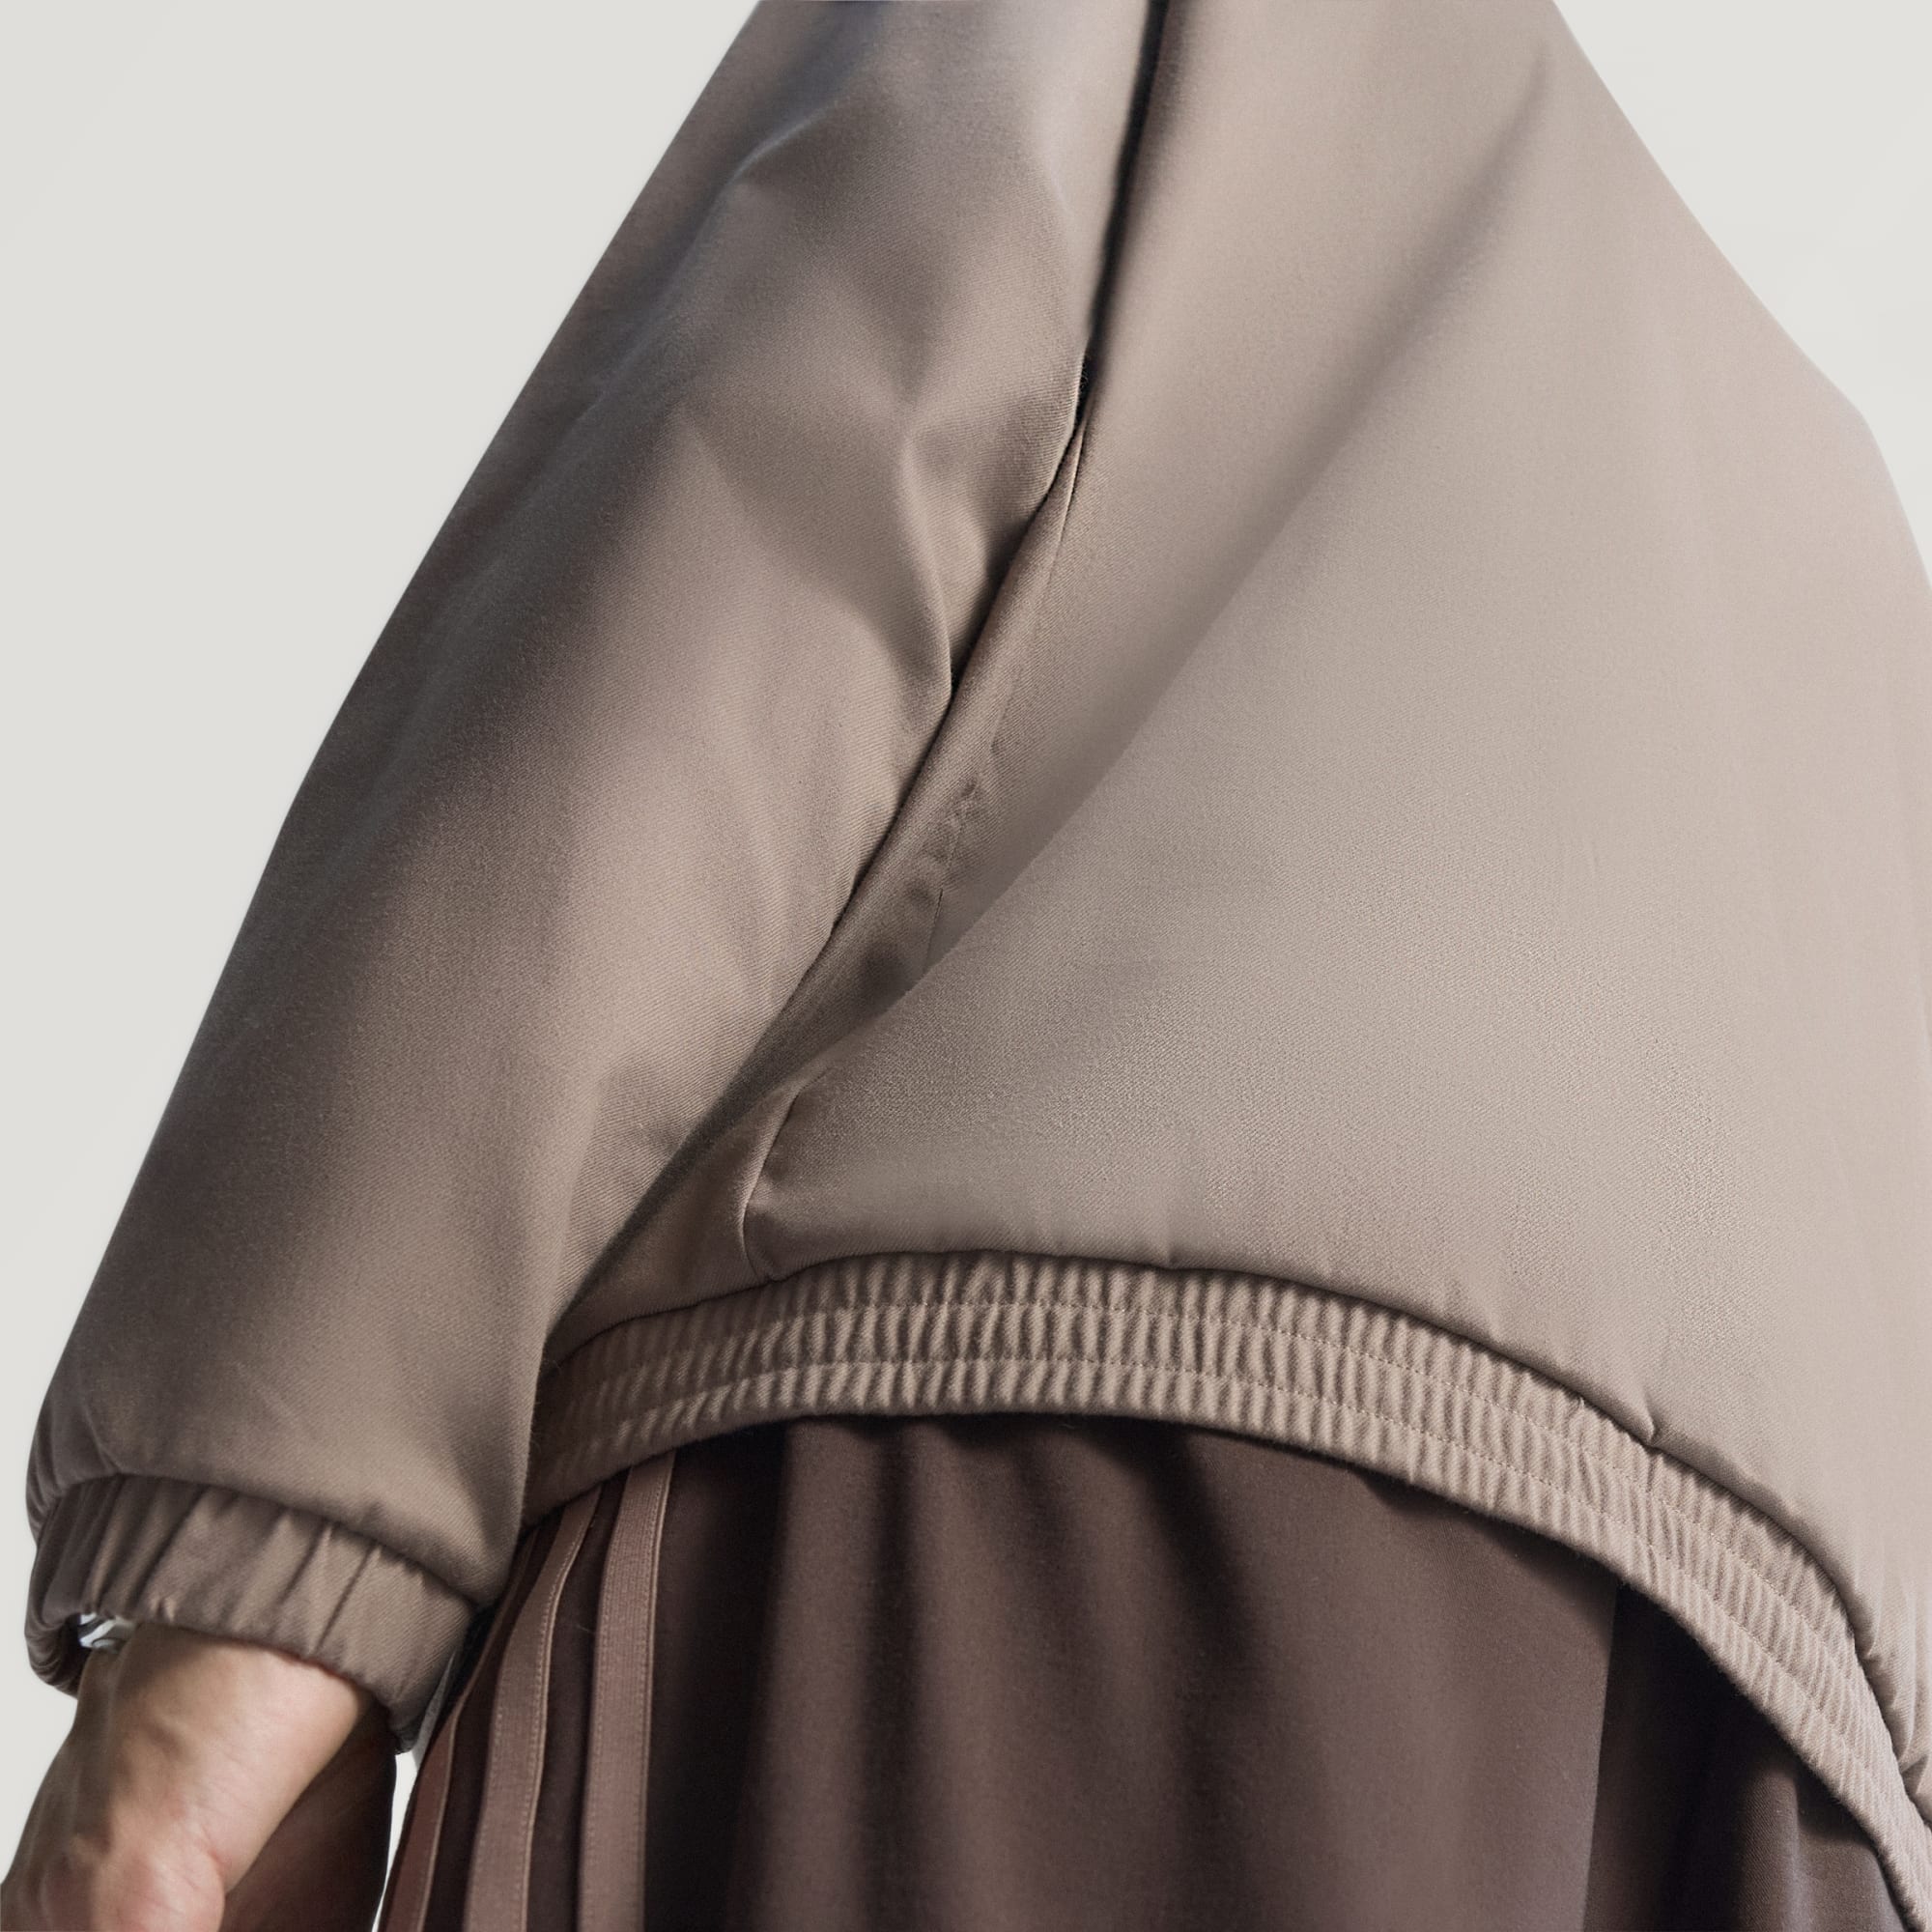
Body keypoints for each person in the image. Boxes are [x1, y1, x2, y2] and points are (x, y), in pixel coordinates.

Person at [8, 0, 1931, 1926]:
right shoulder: (1852, 552)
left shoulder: (1212, 38)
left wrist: (243, 1616)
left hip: (983, 1510)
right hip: (1752, 1796)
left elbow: (723, 618)